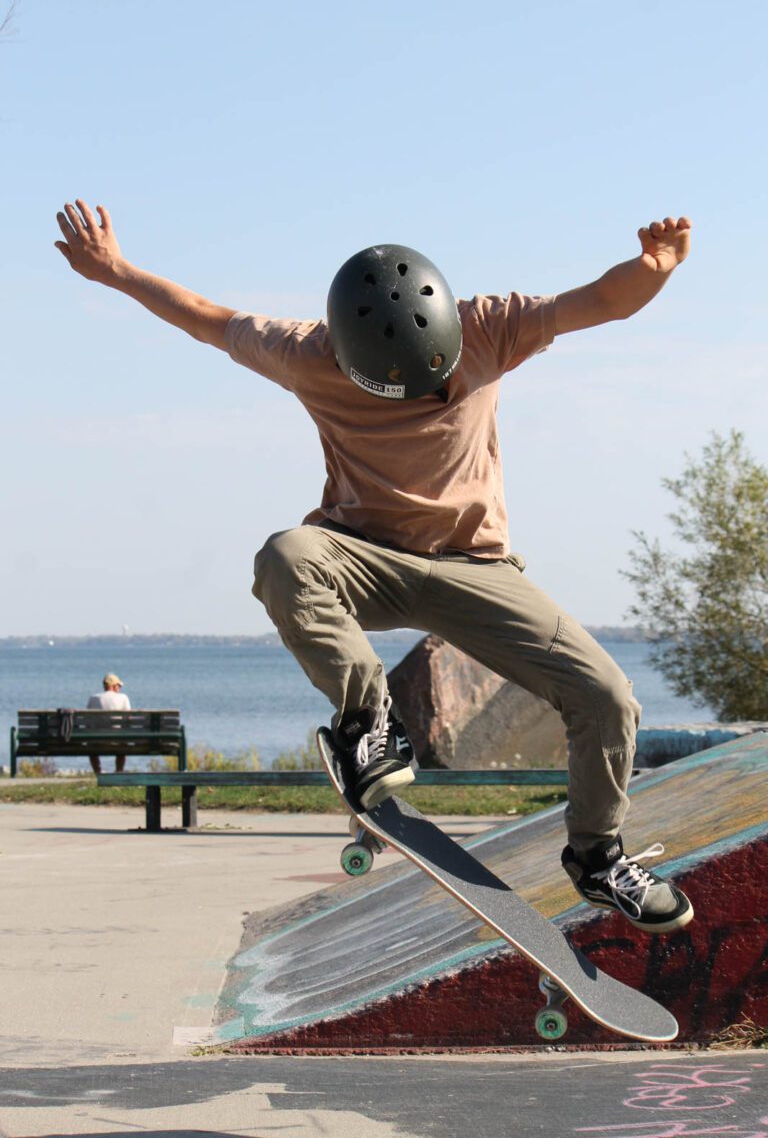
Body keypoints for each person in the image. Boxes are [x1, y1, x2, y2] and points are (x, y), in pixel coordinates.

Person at [55, 199, 694, 934]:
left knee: (608, 696)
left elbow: (600, 303)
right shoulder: (304, 351)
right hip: (363, 560)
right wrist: (116, 271)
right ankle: (367, 720)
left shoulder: (492, 325)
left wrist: (654, 270)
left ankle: (598, 855)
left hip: (478, 570)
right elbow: (204, 315)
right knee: (285, 556)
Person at [86, 672, 131, 773]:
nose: (119, 688)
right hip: (117, 740)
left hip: (97, 740)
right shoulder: (123, 698)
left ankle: (98, 773)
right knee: (123, 747)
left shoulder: (93, 698)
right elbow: (128, 720)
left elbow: (87, 720)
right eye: (119, 686)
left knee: (91, 749)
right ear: (114, 686)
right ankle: (119, 772)